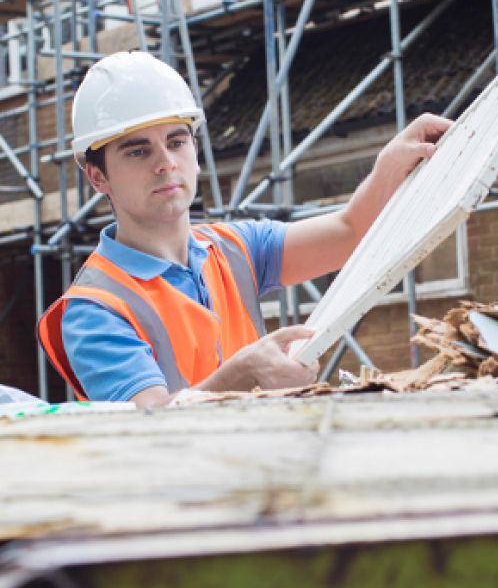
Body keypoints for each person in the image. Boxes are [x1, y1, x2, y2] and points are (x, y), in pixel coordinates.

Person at [38, 51, 451, 407]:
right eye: (138, 150)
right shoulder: (94, 310)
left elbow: (349, 231)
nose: (165, 162)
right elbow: (150, 429)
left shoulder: (235, 247)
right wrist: (241, 375)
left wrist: (389, 167)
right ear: (98, 178)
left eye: (176, 141)